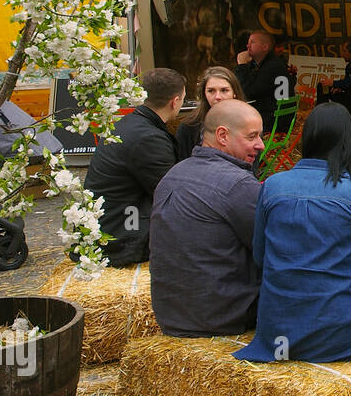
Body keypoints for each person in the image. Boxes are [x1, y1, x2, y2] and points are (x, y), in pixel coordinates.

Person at [235, 104, 351, 363]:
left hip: (278, 336)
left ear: (307, 139)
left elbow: (261, 258)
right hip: (340, 336)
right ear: (350, 142)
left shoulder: (271, 185)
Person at [149, 100, 265, 337]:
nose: (260, 145)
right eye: (252, 136)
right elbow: (273, 248)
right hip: (221, 316)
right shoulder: (238, 184)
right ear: (222, 136)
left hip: (171, 315)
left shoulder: (173, 174)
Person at [84, 68, 185, 267]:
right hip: (120, 237)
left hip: (105, 223)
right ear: (175, 101)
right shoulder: (149, 138)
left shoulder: (130, 123)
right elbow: (169, 195)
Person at [175, 66, 243, 160]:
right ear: (204, 94)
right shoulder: (189, 126)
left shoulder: (247, 123)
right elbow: (182, 163)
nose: (218, 97)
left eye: (224, 90)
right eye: (211, 91)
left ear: (234, 93)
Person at [235, 30, 288, 132]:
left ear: (265, 47)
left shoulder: (272, 66)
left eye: (252, 42)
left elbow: (247, 91)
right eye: (248, 42)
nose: (247, 46)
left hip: (272, 120)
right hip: (272, 114)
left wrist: (241, 65)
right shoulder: (265, 64)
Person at [318, 41, 351, 114]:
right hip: (350, 97)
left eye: (344, 51)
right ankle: (321, 113)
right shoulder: (348, 67)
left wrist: (335, 83)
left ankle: (346, 117)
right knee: (322, 86)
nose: (342, 54)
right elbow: (347, 82)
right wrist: (339, 87)